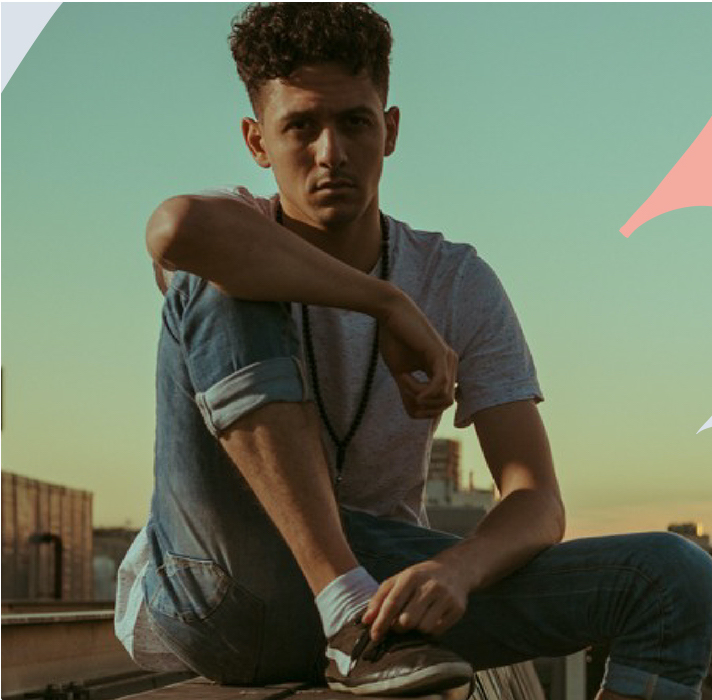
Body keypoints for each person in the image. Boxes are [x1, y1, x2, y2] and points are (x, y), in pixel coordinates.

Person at [115, 3, 712, 698]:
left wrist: (459, 569)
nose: (330, 152)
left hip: (387, 605)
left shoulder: (455, 280)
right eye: (301, 126)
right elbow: (176, 227)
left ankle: (353, 622)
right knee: (217, 281)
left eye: (355, 123)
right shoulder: (234, 226)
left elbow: (537, 499)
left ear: (390, 129)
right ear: (256, 140)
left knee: (676, 576)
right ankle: (337, 607)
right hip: (222, 582)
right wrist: (386, 303)